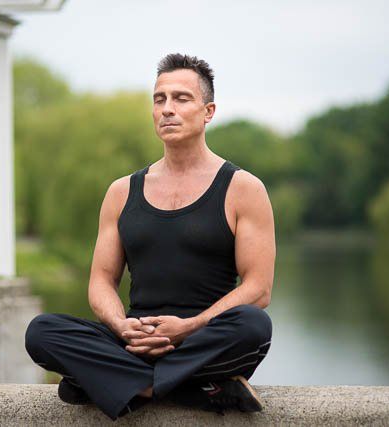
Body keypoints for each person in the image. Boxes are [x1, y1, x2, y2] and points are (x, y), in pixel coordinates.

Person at [24, 53, 275, 421]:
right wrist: (121, 327)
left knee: (253, 326)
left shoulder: (243, 188)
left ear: (208, 111)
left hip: (203, 340)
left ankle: (114, 384)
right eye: (160, 99)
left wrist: (187, 328)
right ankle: (193, 389)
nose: (167, 109)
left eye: (181, 98)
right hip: (134, 342)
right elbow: (101, 281)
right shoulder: (122, 191)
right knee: (42, 331)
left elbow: (258, 289)